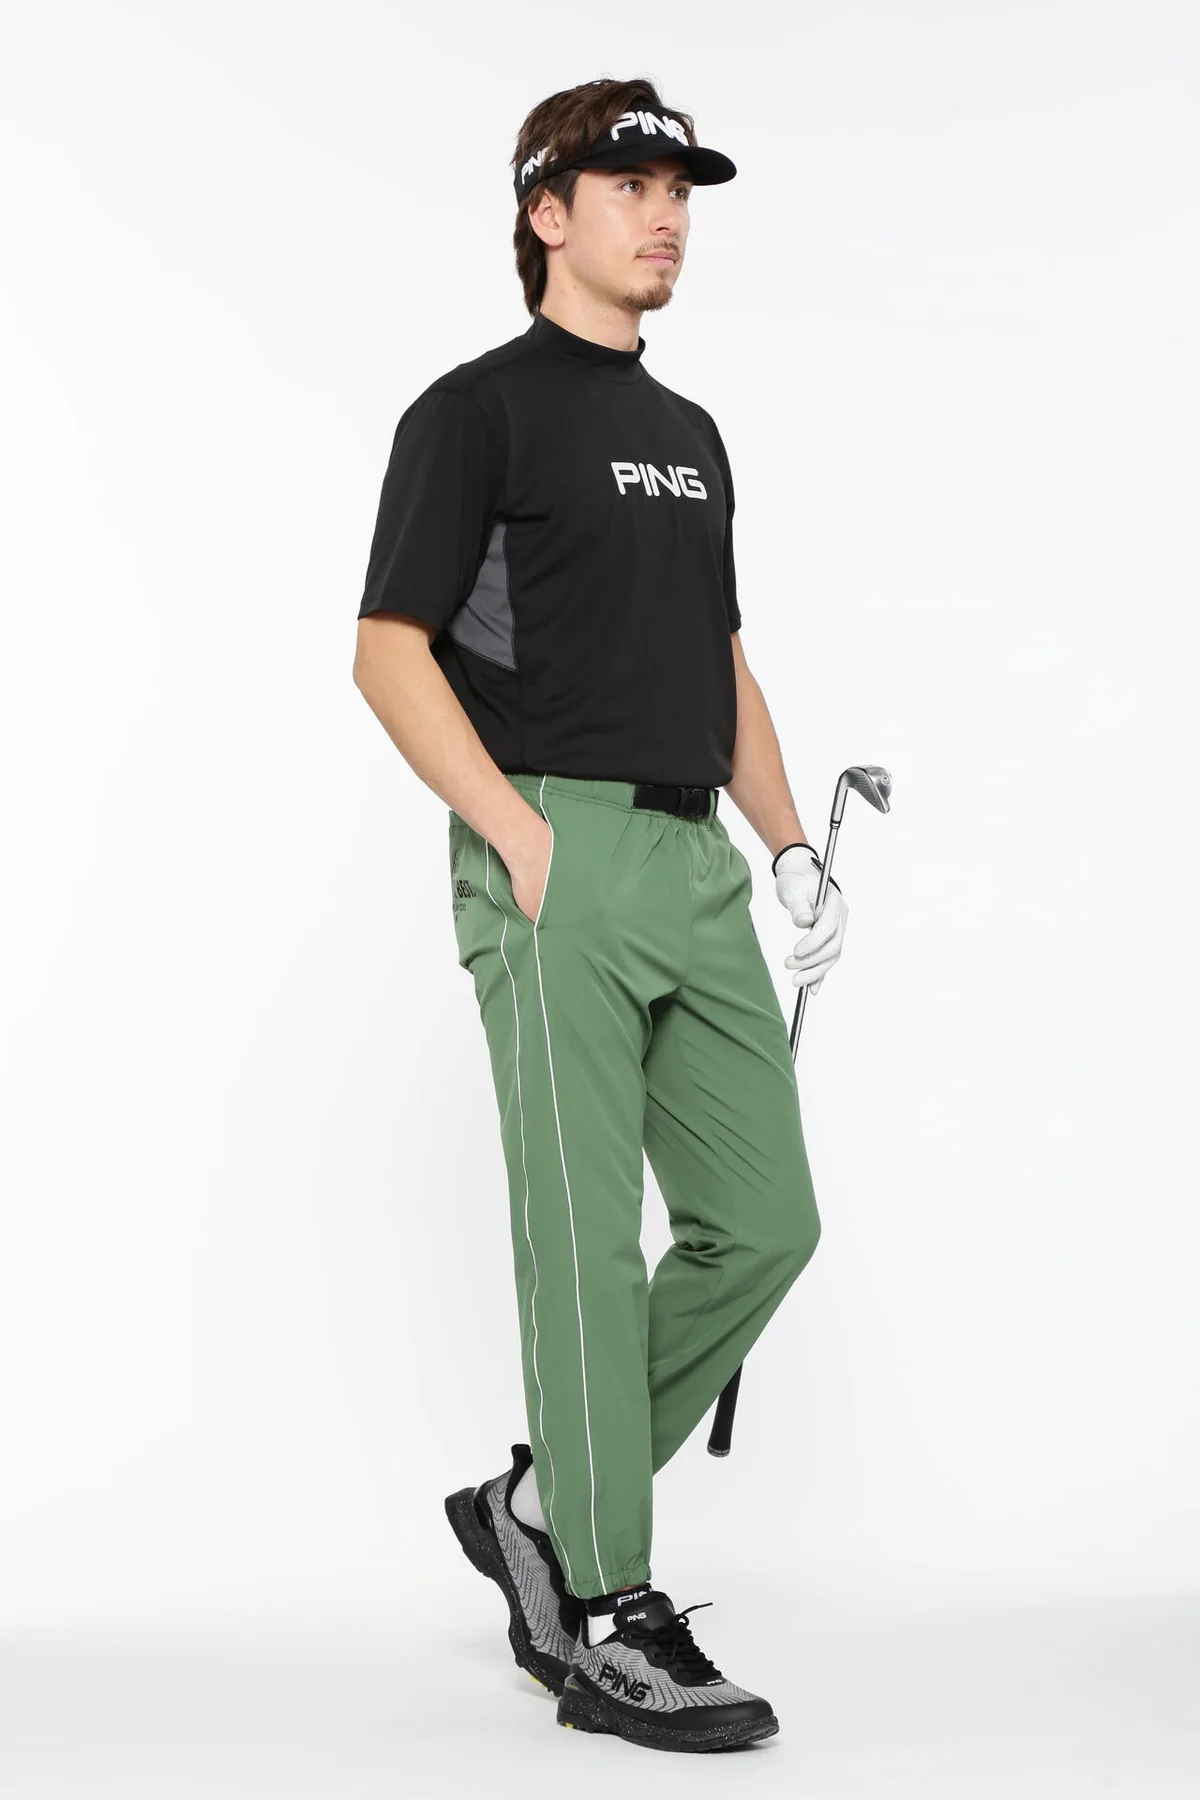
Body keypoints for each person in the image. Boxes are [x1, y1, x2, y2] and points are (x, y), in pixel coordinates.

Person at [352, 76, 849, 1755]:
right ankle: (609, 1617)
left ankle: (536, 1509)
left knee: (763, 1223)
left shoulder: (692, 437)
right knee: (583, 1241)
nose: (666, 213)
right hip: (553, 847)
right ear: (546, 212)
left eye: (680, 190)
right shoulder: (473, 414)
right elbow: (388, 652)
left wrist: (788, 847)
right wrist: (512, 831)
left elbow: (723, 663)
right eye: (631, 184)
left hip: (696, 860)